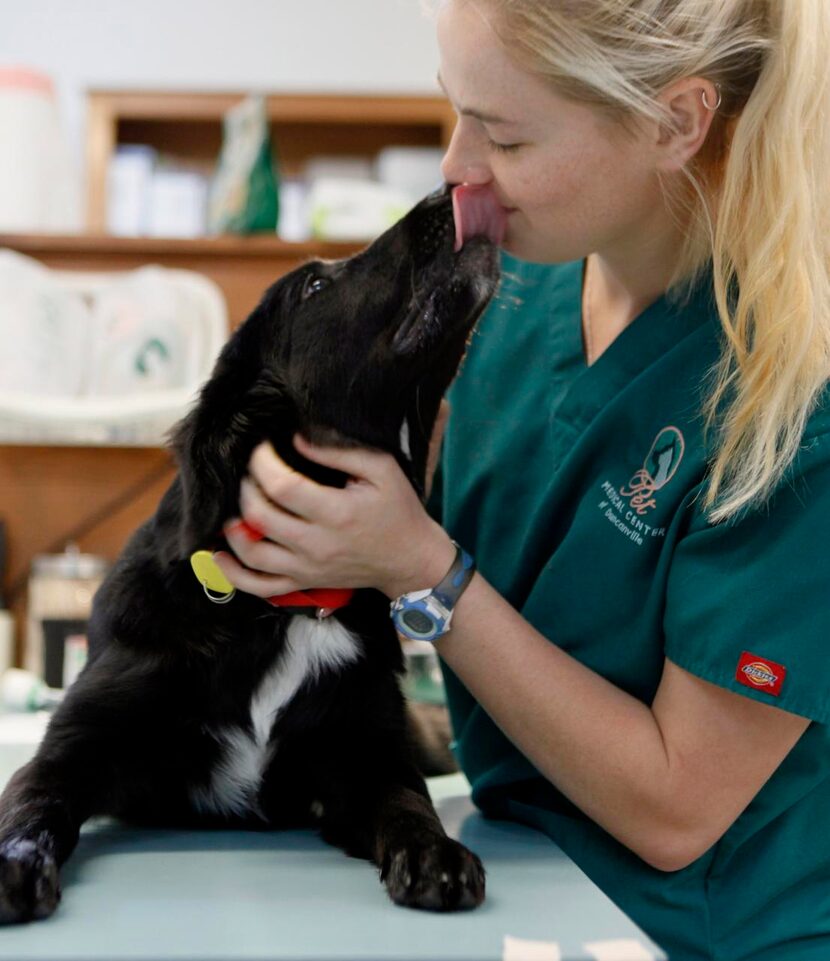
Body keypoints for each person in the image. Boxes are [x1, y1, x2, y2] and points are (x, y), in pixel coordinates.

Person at [213, 2, 830, 958]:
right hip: (523, 888)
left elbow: (677, 809)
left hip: (707, 934)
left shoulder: (793, 394)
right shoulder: (514, 288)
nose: (458, 166)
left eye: (503, 134)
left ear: (676, 122)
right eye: (454, 112)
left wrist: (419, 569)